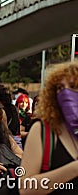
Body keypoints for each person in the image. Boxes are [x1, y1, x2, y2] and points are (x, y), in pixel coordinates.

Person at [19, 62, 78, 195]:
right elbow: (25, 188)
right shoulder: (42, 130)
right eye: (60, 88)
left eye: (73, 86)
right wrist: (74, 168)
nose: (65, 92)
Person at [0, 84, 22, 149]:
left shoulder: (2, 110)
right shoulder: (14, 108)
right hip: (18, 139)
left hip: (9, 140)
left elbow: (4, 129)